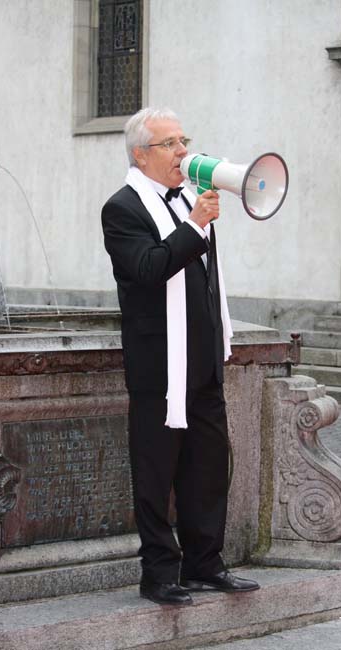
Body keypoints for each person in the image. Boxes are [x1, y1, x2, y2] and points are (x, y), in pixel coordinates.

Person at [101, 107, 260, 606]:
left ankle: (205, 564)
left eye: (183, 140)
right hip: (159, 365)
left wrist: (196, 218)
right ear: (140, 155)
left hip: (202, 359)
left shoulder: (190, 198)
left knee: (207, 469)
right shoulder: (121, 209)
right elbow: (149, 269)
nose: (182, 151)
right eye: (169, 143)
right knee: (156, 472)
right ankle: (158, 575)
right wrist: (195, 224)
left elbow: (202, 278)